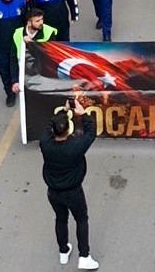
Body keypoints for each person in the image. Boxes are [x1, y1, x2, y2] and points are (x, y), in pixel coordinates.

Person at [40, 95, 100, 269]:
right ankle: (84, 256)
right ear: (68, 130)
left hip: (53, 191)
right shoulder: (76, 146)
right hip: (73, 192)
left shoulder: (45, 143)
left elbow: (49, 124)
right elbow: (91, 132)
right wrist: (82, 113)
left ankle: (63, 251)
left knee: (60, 218)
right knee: (81, 219)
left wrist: (64, 110)